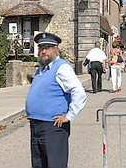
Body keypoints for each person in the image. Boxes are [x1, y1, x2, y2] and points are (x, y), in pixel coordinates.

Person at [26, 32, 87, 168]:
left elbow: (79, 92)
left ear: (56, 50)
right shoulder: (41, 69)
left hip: (53, 126)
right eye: (41, 48)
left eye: (47, 48)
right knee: (39, 164)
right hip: (36, 125)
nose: (44, 51)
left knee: (55, 164)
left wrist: (69, 115)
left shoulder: (61, 67)